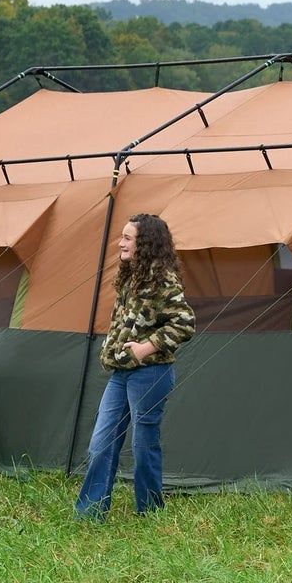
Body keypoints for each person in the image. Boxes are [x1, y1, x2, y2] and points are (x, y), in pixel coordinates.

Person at [75, 214, 196, 519]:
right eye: (122, 237)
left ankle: (150, 510)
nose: (120, 243)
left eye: (128, 238)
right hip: (121, 373)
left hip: (151, 373)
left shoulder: (162, 279)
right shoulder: (131, 276)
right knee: (101, 442)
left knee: (144, 444)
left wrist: (145, 348)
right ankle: (90, 512)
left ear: (145, 243)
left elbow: (184, 322)